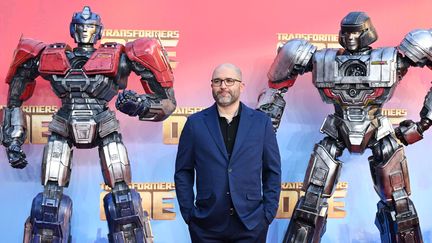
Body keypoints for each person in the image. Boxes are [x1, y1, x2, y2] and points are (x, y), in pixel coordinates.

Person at [175, 63, 281, 242]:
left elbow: (272, 171)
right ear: (212, 86)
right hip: (206, 225)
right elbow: (183, 172)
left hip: (251, 223)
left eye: (229, 81)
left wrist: (267, 214)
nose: (223, 86)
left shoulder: (261, 123)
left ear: (241, 86)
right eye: (217, 81)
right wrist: (189, 214)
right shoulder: (195, 124)